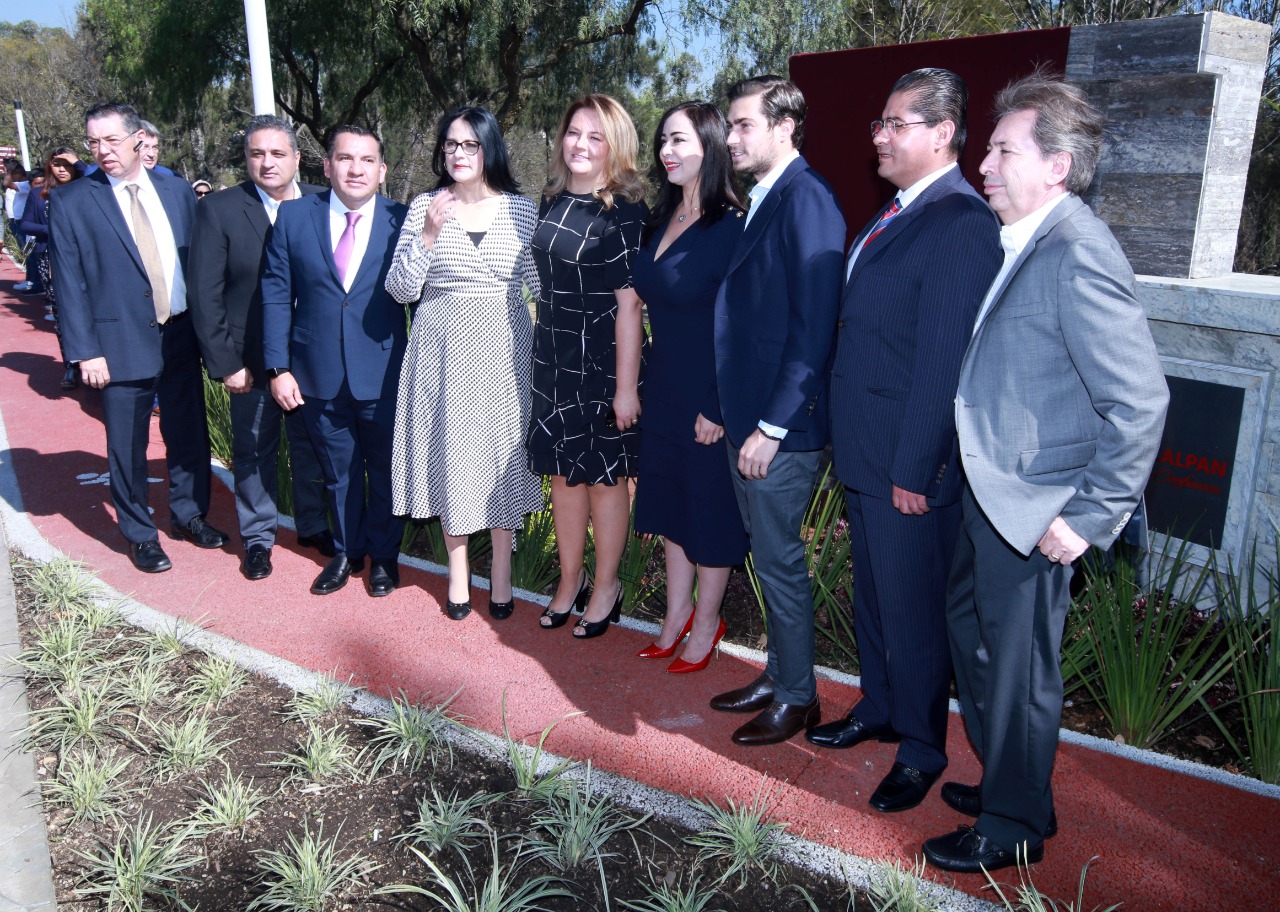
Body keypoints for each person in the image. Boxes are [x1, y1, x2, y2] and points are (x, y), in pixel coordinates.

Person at [921, 73, 1169, 873]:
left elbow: (1139, 401)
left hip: (1035, 508)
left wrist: (1088, 516)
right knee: (976, 638)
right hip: (992, 496)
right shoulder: (1026, 239)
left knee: (1021, 669)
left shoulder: (1078, 252)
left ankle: (1013, 823)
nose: (984, 162)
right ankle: (1012, 781)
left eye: (1001, 149)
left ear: (1057, 165)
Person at [808, 69, 1003, 813]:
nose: (879, 136)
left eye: (895, 124)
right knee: (877, 600)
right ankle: (881, 707)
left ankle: (922, 749)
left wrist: (915, 468)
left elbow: (942, 363)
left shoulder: (960, 222)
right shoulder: (895, 211)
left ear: (943, 133)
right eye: (879, 124)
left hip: (906, 461)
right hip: (865, 448)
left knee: (914, 612)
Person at [705, 75, 845, 746]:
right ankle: (779, 674)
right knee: (767, 556)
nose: (730, 138)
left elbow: (814, 329)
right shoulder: (766, 199)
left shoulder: (807, 201)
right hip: (750, 422)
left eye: (742, 125)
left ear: (786, 127)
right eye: (729, 126)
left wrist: (771, 426)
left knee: (780, 560)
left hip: (778, 433)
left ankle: (798, 696)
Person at [49, 102, 229, 573]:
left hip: (181, 334)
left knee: (188, 434)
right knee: (126, 446)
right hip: (119, 342)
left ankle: (189, 515)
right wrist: (84, 352)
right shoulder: (72, 201)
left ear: (138, 140)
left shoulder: (174, 190)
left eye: (111, 140)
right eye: (93, 142)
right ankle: (139, 533)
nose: (102, 151)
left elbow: (199, 264)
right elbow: (69, 283)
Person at [385, 106, 544, 621]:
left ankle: (500, 570)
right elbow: (400, 289)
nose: (458, 153)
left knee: (501, 457)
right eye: (451, 144)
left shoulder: (521, 210)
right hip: (441, 352)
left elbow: (541, 287)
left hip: (504, 352)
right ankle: (458, 573)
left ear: (489, 149)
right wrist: (429, 234)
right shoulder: (424, 207)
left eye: (470, 144)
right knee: (450, 455)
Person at [261, 125, 409, 598]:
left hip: (386, 373)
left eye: (367, 160)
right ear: (326, 166)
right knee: (338, 474)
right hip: (317, 374)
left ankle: (384, 559)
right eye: (345, 159)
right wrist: (277, 367)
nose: (355, 169)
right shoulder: (293, 216)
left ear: (382, 171)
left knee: (385, 470)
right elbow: (276, 296)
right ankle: (346, 553)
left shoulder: (403, 221)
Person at [188, 114, 335, 581]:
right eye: (257, 154)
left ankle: (313, 527)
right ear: (247, 159)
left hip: (314, 360)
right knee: (254, 451)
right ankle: (258, 539)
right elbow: (205, 293)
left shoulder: (325, 203)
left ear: (297, 157)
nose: (267, 162)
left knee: (313, 449)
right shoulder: (221, 209)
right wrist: (226, 363)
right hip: (248, 363)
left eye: (277, 153)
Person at [631, 101, 748, 673]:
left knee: (707, 514)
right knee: (672, 508)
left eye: (679, 140)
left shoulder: (732, 229)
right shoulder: (660, 220)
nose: (666, 152)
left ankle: (707, 622)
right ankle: (674, 616)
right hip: (663, 390)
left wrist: (719, 405)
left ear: (711, 145)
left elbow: (746, 327)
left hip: (707, 395)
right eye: (663, 141)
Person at [526, 94, 648, 639]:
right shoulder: (551, 199)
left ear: (614, 146)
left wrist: (625, 390)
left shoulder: (623, 211)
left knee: (604, 481)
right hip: (553, 360)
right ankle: (569, 580)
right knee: (562, 477)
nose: (580, 144)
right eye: (574, 132)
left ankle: (606, 586)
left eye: (595, 136)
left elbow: (630, 305)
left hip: (603, 365)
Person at [40, 147, 86, 389]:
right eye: (56, 164)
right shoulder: (43, 194)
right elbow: (26, 223)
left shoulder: (88, 189)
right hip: (53, 261)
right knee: (63, 317)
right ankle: (70, 365)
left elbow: (96, 178)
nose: (62, 169)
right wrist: (58, 230)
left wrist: (79, 163)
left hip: (86, 261)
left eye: (67, 164)